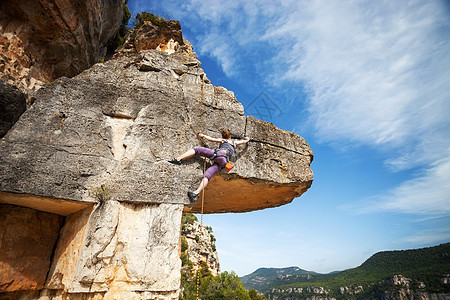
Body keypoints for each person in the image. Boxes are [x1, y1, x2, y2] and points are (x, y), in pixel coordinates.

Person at [169, 129, 250, 202]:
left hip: (218, 154)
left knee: (197, 149)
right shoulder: (234, 142)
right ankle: (196, 193)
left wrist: (202, 135)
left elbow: (210, 139)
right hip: (223, 163)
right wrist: (247, 139)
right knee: (207, 175)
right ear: (230, 136)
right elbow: (244, 141)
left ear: (224, 136)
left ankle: (178, 159)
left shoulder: (222, 140)